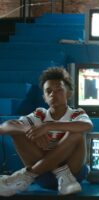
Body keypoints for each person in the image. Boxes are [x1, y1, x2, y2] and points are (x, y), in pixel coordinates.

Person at [0, 67, 93, 196]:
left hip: (73, 175)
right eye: (48, 91)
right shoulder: (40, 114)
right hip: (44, 176)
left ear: (69, 93)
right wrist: (29, 130)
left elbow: (87, 125)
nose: (53, 94)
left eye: (59, 90)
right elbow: (4, 127)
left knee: (76, 133)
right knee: (18, 131)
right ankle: (56, 171)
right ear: (44, 97)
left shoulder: (76, 113)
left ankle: (25, 176)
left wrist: (49, 127)